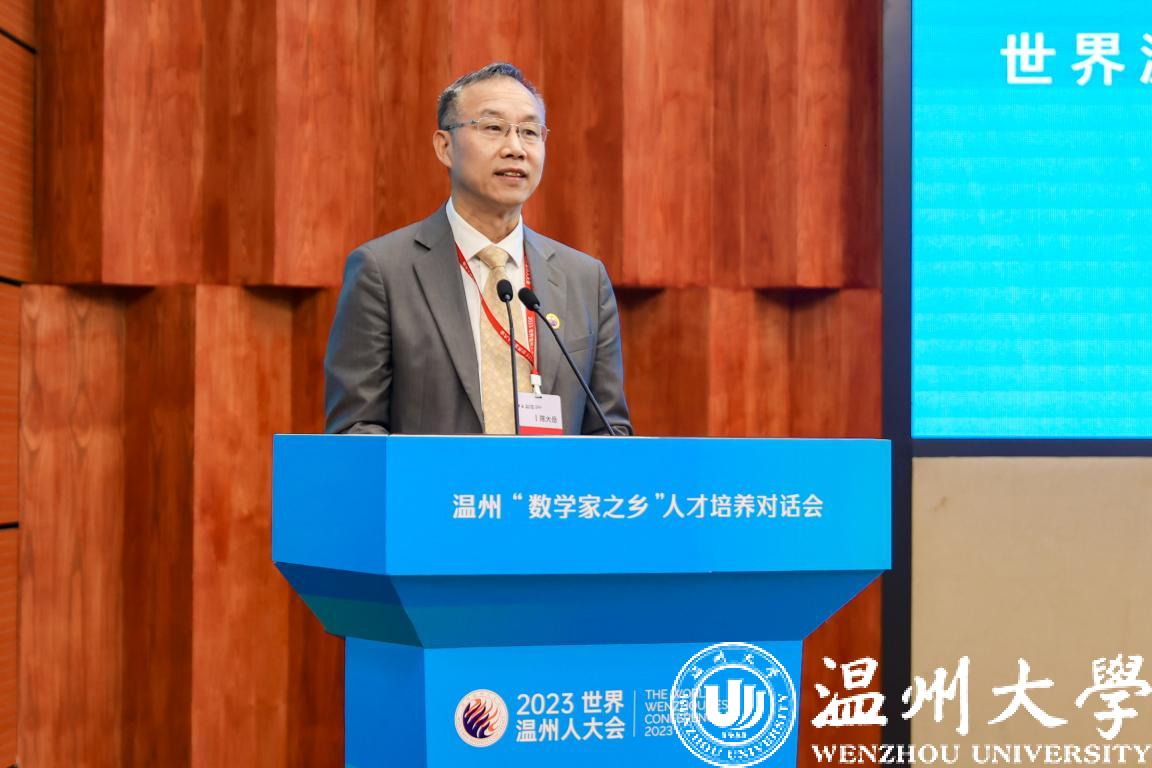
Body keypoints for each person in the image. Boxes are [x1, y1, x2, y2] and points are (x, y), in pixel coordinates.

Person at [324, 62, 633, 436]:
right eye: (493, 128)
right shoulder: (383, 271)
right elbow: (356, 429)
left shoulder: (585, 279)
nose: (515, 148)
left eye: (530, 132)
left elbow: (609, 432)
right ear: (445, 147)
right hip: (436, 479)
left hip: (549, 478)